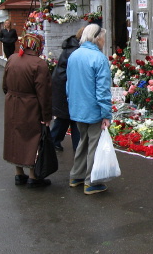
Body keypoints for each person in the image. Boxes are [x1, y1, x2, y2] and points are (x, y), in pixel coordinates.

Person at [67, 24, 112, 195]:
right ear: (96, 38)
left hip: (77, 107)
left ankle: (76, 175)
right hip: (93, 109)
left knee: (83, 142)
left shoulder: (74, 56)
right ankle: (92, 181)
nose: (104, 40)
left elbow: (68, 84)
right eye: (103, 37)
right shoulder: (99, 58)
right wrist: (106, 114)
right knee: (94, 144)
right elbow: (102, 90)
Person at [3, 33, 53, 188]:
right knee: (33, 138)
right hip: (30, 105)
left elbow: (4, 85)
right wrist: (46, 115)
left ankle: (18, 173)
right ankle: (33, 176)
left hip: (12, 102)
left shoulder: (12, 58)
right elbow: (44, 93)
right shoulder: (39, 64)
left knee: (15, 136)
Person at [50, 28, 84, 152]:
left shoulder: (72, 47)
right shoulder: (76, 50)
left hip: (62, 87)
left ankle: (54, 142)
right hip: (65, 88)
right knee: (69, 118)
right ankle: (76, 146)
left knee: (65, 118)